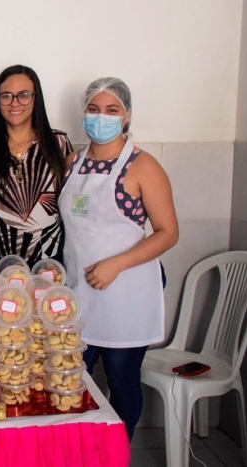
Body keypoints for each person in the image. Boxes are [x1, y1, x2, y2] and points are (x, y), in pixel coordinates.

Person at [59, 78, 178, 440]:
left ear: (127, 116)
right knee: (70, 379)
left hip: (125, 293)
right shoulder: (73, 162)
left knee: (121, 380)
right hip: (78, 290)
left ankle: (116, 453)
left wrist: (117, 264)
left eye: (112, 110)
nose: (101, 117)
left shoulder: (143, 166)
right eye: (93, 109)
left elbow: (168, 232)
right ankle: (79, 453)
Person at [0, 65, 72, 266]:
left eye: (24, 95)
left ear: (35, 98)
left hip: (48, 264)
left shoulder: (58, 143)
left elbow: (69, 202)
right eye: (6, 96)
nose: (15, 103)